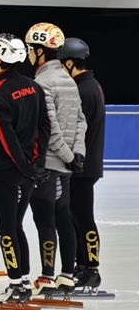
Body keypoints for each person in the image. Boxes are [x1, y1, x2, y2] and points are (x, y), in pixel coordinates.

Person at [0, 33, 51, 306]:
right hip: (29, 171)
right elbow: (45, 126)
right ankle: (23, 279)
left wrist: (24, 165)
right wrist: (37, 163)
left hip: (6, 170)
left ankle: (16, 285)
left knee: (7, 228)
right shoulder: (34, 86)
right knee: (18, 226)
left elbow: (5, 135)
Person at [25, 23, 86, 297]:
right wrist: (77, 154)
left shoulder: (42, 82)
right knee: (64, 218)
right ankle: (68, 275)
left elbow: (48, 129)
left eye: (29, 49)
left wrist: (67, 155)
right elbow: (81, 122)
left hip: (49, 164)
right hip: (67, 165)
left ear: (40, 51)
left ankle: (47, 278)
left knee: (45, 221)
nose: (27, 54)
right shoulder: (69, 79)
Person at [58, 37, 106, 291]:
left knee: (83, 218)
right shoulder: (90, 84)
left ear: (69, 63)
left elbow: (77, 129)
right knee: (77, 217)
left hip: (81, 166)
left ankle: (91, 269)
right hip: (86, 163)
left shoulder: (80, 89)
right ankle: (83, 265)